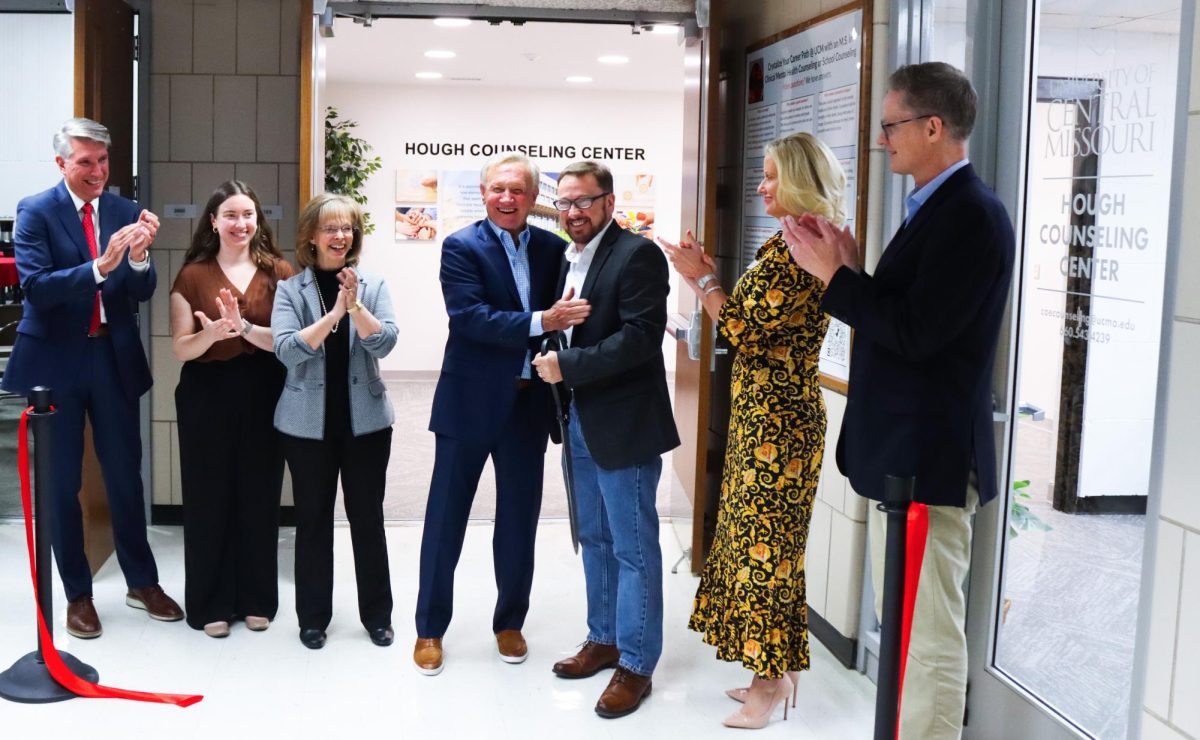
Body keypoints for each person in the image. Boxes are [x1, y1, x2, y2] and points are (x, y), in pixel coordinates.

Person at [785, 62, 1015, 740]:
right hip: (906, 460)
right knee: (913, 627)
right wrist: (853, 271)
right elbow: (909, 314)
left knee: (929, 638)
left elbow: (917, 335)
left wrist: (837, 279)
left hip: (933, 463)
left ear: (933, 126)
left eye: (891, 125)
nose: (883, 138)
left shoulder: (970, 216)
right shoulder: (936, 209)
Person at [660, 132, 844, 729]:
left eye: (769, 176)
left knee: (769, 556)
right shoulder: (790, 239)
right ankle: (777, 668)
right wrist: (706, 278)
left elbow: (742, 330)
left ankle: (771, 684)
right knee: (760, 549)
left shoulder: (804, 244)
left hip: (780, 430)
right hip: (763, 418)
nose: (760, 186)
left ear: (797, 180)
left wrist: (701, 280)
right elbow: (754, 323)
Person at [1, 117, 181, 638]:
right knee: (63, 485)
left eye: (103, 161)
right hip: (55, 363)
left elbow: (139, 295)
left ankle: (141, 582)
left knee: (126, 475)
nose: (98, 172)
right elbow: (36, 288)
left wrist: (141, 260)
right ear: (61, 163)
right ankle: (77, 594)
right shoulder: (36, 211)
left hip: (111, 358)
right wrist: (101, 266)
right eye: (85, 162)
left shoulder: (124, 211)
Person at [413, 152, 590, 675]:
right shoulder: (460, 247)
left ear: (535, 198)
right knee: (446, 518)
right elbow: (469, 318)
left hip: (527, 404)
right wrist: (543, 320)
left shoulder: (555, 249)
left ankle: (509, 623)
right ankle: (429, 629)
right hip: (468, 401)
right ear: (484, 193)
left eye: (518, 190)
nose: (507, 199)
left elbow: (573, 312)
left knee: (518, 519)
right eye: (498, 190)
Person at [532, 161, 679, 719]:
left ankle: (637, 663)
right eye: (565, 203)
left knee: (633, 548)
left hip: (625, 424)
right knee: (592, 538)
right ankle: (604, 638)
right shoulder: (572, 257)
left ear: (609, 202)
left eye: (584, 202)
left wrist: (565, 365)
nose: (573, 212)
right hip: (579, 422)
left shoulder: (637, 254)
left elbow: (640, 340)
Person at [272, 193, 399, 650]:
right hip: (306, 427)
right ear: (311, 235)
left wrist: (357, 305)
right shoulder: (291, 289)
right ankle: (313, 618)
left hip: (365, 424)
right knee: (313, 522)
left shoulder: (374, 283)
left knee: (368, 519)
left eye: (347, 228)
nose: (340, 236)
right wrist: (334, 314)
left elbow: (385, 344)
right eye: (330, 228)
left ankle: (378, 617)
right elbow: (287, 350)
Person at [170, 181, 293, 638]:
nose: (241, 224)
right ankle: (210, 603)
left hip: (265, 389)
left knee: (259, 495)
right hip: (207, 394)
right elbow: (182, 349)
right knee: (208, 497)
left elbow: (287, 343)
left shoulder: (280, 271)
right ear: (214, 221)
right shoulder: (192, 274)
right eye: (231, 215)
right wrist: (214, 335)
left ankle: (258, 598)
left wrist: (243, 330)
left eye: (248, 215)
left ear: (257, 221)